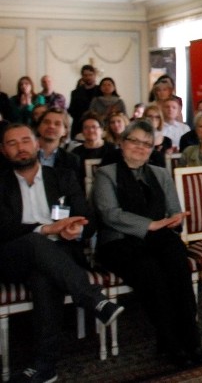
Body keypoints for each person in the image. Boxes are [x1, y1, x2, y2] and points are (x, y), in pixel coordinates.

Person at [0, 123, 123, 383]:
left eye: (25, 140)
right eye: (12, 143)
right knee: (34, 241)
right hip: (13, 256)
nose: (20, 147)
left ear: (36, 144)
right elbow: (3, 229)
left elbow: (88, 219)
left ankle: (45, 368)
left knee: (43, 276)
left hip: (58, 256)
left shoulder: (63, 177)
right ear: (3, 150)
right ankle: (92, 298)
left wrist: (75, 230)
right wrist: (46, 229)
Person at [92, 120, 202, 368]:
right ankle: (170, 341)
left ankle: (190, 336)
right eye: (135, 142)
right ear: (122, 143)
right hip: (118, 242)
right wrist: (149, 225)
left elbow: (174, 210)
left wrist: (174, 221)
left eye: (147, 144)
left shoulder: (161, 173)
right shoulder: (105, 174)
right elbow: (110, 214)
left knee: (178, 264)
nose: (141, 148)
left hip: (159, 236)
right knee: (152, 274)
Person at [36, 108, 82, 181]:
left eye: (57, 124)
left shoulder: (71, 160)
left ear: (65, 131)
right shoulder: (26, 155)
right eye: (46, 122)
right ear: (38, 127)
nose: (51, 126)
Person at [68, 65, 101, 138]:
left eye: (90, 75)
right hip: (79, 126)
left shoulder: (101, 90)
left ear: (95, 75)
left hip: (97, 125)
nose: (88, 77)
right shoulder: (75, 93)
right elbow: (71, 110)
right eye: (85, 75)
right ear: (82, 76)